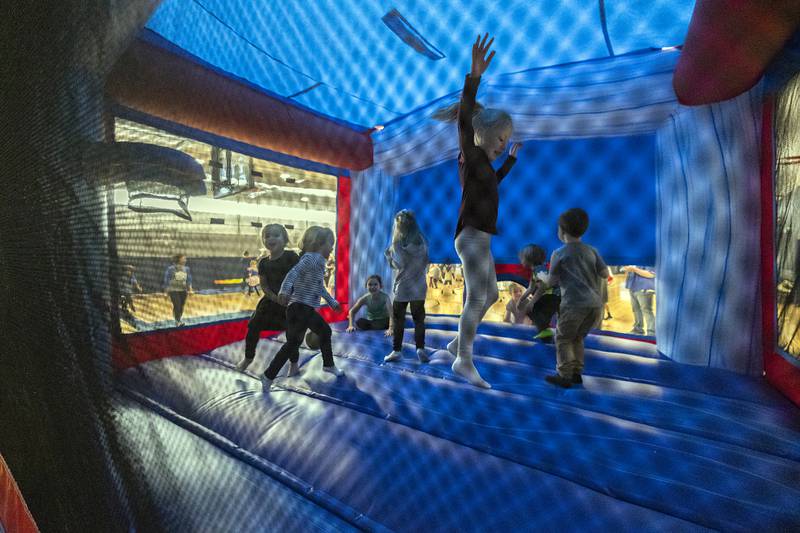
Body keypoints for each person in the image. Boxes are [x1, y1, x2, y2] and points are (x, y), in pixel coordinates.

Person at [431, 33, 522, 388]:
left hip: (480, 238)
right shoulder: (470, 154)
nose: (503, 144)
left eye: (506, 140)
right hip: (470, 237)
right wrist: (475, 76)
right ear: (481, 133)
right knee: (476, 296)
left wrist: (510, 162)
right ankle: (463, 360)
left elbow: (494, 183)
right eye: (501, 138)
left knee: (492, 295)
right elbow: (464, 117)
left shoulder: (484, 167)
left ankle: (457, 342)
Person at [529, 208, 608, 388]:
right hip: (594, 306)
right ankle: (576, 373)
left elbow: (552, 281)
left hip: (574, 305)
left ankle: (564, 375)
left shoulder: (559, 253)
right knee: (577, 338)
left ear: (561, 230)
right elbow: (603, 273)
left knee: (563, 339)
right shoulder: (592, 251)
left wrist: (542, 279)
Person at [261, 226, 343, 392]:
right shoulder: (311, 259)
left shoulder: (318, 261)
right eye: (330, 244)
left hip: (302, 308)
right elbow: (292, 274)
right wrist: (284, 291)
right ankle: (269, 375)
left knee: (306, 339)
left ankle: (327, 365)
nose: (332, 248)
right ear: (319, 244)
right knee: (298, 342)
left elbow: (318, 287)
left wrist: (332, 302)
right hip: (299, 307)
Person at [235, 224, 299, 373]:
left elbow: (299, 277)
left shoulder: (291, 257)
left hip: (290, 301)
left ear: (284, 239)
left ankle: (294, 363)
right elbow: (264, 285)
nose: (270, 238)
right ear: (263, 240)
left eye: (276, 235)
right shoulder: (263, 262)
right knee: (253, 326)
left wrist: (291, 296)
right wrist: (275, 297)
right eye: (267, 235)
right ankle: (248, 358)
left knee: (292, 333)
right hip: (271, 301)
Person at [384, 210, 430, 363]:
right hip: (419, 287)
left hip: (403, 287)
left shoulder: (397, 243)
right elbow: (425, 263)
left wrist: (389, 257)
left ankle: (397, 351)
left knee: (399, 321)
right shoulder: (423, 241)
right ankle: (420, 348)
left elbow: (399, 264)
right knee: (419, 320)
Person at [518, 244, 561, 341]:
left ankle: (545, 330)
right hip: (549, 296)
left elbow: (543, 286)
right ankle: (544, 330)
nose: (521, 261)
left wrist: (531, 302)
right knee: (530, 309)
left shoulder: (539, 269)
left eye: (522, 258)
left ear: (529, 259)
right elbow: (530, 288)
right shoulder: (534, 271)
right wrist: (521, 300)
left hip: (554, 296)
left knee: (533, 308)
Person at [622, 265, 655, 336]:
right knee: (636, 309)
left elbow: (651, 274)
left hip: (644, 287)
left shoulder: (649, 258)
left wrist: (634, 269)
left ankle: (652, 333)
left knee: (646, 310)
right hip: (633, 286)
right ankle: (638, 330)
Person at [163, 254, 192, 327]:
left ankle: (178, 318)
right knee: (177, 305)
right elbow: (167, 280)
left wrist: (190, 289)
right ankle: (177, 321)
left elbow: (189, 280)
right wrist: (166, 292)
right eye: (184, 258)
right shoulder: (171, 269)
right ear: (179, 259)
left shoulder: (187, 269)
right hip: (173, 290)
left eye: (185, 259)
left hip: (183, 291)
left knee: (181, 306)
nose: (185, 260)